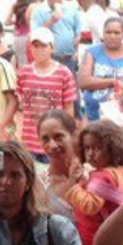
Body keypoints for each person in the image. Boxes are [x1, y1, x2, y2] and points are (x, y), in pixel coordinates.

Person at [16, 28, 77, 160]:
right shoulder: (24, 72)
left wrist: (68, 137)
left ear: (52, 48)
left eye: (43, 46)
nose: (39, 50)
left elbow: (69, 109)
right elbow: (19, 107)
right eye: (35, 46)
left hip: (54, 142)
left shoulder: (64, 73)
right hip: (29, 142)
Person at [78, 17, 123, 122]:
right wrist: (114, 82)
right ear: (103, 33)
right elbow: (83, 81)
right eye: (108, 32)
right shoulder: (92, 52)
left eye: (116, 33)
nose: (112, 36)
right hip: (96, 117)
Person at [30, 0, 81, 72]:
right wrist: (51, 21)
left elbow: (79, 30)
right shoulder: (39, 11)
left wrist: (77, 50)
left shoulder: (71, 8)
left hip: (69, 57)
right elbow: (35, 35)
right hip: (49, 58)